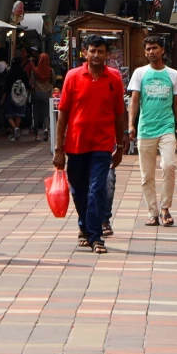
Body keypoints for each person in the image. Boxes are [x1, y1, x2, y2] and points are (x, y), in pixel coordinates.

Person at [53, 36, 127, 252]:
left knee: (97, 190)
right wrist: (58, 149)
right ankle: (84, 227)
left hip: (102, 145)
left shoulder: (114, 78)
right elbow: (63, 114)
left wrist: (121, 146)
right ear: (85, 52)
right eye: (93, 51)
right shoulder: (73, 76)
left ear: (107, 55)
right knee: (79, 190)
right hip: (75, 144)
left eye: (101, 51)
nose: (96, 55)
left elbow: (118, 114)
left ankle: (96, 237)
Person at [127, 35, 177, 226]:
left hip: (167, 128)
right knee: (147, 175)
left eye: (154, 48)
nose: (151, 52)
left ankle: (165, 208)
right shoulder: (139, 73)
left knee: (168, 166)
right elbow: (134, 101)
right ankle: (152, 211)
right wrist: (131, 125)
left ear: (163, 50)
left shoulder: (173, 75)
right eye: (148, 49)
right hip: (145, 129)